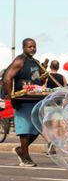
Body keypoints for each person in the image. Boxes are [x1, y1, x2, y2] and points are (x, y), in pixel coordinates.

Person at [2, 38, 43, 167]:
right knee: (25, 130)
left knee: (38, 128)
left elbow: (36, 81)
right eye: (30, 46)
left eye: (34, 46)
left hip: (35, 99)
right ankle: (25, 157)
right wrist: (11, 96)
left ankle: (21, 150)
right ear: (24, 47)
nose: (33, 48)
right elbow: (7, 77)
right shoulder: (20, 60)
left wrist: (42, 79)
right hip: (22, 100)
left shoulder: (35, 62)